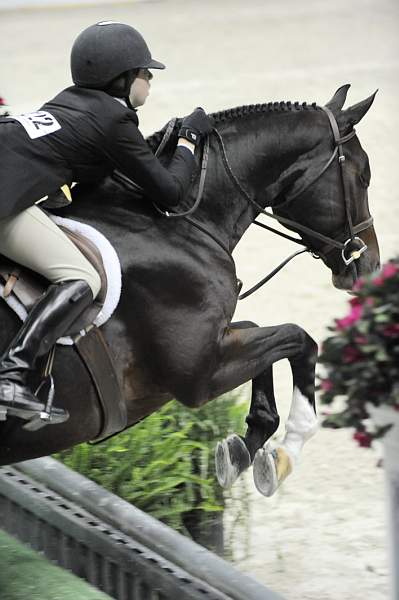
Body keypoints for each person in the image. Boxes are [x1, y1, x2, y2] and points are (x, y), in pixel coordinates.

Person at [0, 21, 213, 423]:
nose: (149, 79)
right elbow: (171, 194)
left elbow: (96, 177)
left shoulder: (72, 101)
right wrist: (188, 141)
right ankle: (13, 376)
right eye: (144, 72)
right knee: (83, 277)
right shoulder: (115, 120)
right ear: (121, 79)